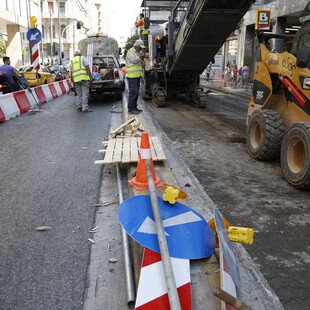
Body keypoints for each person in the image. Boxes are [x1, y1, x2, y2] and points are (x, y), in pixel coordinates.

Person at [125, 39, 145, 114]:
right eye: (140, 47)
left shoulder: (137, 52)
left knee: (136, 92)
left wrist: (141, 58)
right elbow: (134, 60)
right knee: (133, 92)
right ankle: (130, 108)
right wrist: (140, 56)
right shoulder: (131, 52)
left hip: (137, 75)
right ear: (136, 46)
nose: (141, 49)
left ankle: (134, 107)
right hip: (131, 76)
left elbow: (140, 63)